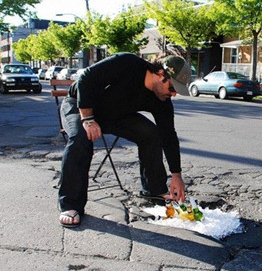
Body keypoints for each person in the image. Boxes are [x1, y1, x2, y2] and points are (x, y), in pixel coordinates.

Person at [57, 53, 191, 228]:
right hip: (80, 105)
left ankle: (154, 192)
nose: (173, 94)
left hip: (115, 116)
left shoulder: (161, 101)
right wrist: (88, 119)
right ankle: (70, 205)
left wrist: (176, 175)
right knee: (80, 137)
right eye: (172, 88)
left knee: (151, 134)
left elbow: (169, 136)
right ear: (160, 74)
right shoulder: (127, 63)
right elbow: (85, 79)